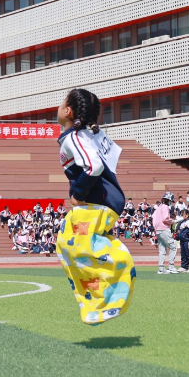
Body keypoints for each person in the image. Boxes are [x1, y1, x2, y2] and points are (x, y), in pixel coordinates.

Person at [56, 88, 134, 325]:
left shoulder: (75, 137)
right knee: (69, 242)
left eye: (62, 103)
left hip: (96, 202)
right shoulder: (88, 135)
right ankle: (101, 294)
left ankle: (115, 279)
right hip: (107, 200)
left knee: (68, 244)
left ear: (68, 111)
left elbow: (95, 167)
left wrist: (78, 193)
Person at [152, 192, 178, 274]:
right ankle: (171, 266)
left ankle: (161, 268)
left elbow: (153, 218)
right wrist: (172, 221)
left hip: (158, 230)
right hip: (164, 229)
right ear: (169, 200)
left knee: (162, 250)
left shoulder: (159, 207)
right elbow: (165, 219)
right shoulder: (165, 207)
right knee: (173, 247)